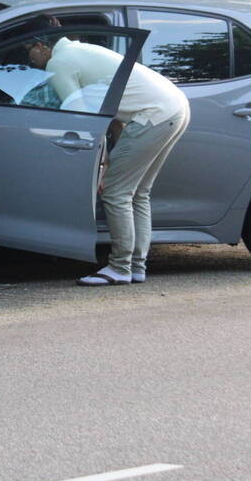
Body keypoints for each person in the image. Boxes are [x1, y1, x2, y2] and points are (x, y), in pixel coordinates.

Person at [23, 16, 190, 285]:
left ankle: (120, 267)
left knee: (115, 192)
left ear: (41, 45)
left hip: (153, 115)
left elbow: (83, 121)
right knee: (138, 193)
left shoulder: (59, 63)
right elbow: (110, 111)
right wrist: (109, 161)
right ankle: (136, 266)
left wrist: (102, 168)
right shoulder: (83, 50)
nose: (29, 59)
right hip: (175, 107)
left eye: (28, 50)